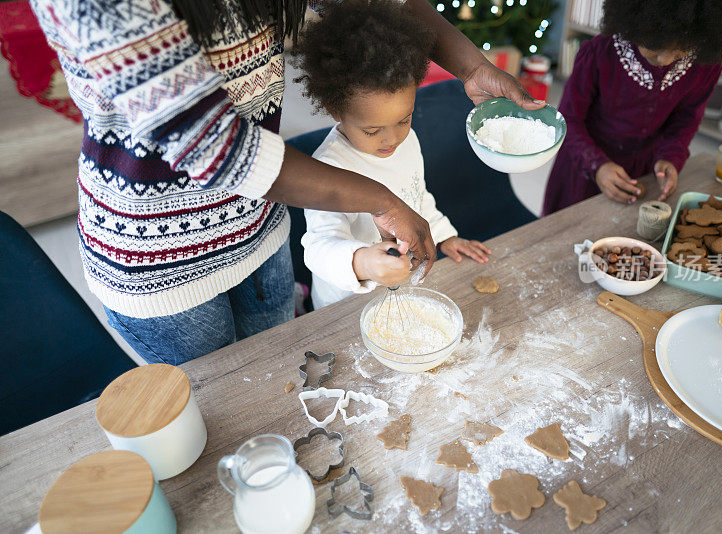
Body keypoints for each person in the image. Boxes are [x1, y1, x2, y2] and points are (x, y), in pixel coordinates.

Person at [30, 0, 541, 365]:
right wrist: (380, 204)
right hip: (160, 264)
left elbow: (383, 6)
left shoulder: (406, 142)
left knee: (280, 372)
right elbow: (215, 148)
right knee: (233, 409)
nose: (390, 137)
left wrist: (472, 67)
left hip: (258, 228)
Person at [295, 0, 491, 309]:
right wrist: (363, 263)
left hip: (397, 294)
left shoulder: (408, 141)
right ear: (335, 109)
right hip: (344, 305)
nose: (392, 138)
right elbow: (317, 248)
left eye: (404, 119)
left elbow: (418, 196)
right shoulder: (328, 167)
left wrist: (444, 237)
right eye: (372, 131)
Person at [542, 0, 722, 215]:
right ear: (635, 24)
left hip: (644, 170)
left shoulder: (706, 62)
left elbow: (687, 119)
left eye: (681, 50)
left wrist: (671, 157)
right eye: (653, 48)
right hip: (583, 163)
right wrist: (597, 166)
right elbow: (567, 120)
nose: (664, 59)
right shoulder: (598, 54)